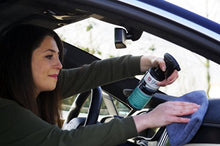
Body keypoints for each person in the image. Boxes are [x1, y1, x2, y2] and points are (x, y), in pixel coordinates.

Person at [0, 24, 200, 146]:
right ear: (21, 60)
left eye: (59, 56)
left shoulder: (37, 91)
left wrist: (148, 62)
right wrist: (147, 120)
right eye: (49, 56)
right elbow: (62, 142)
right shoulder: (6, 111)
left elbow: (92, 73)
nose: (59, 64)